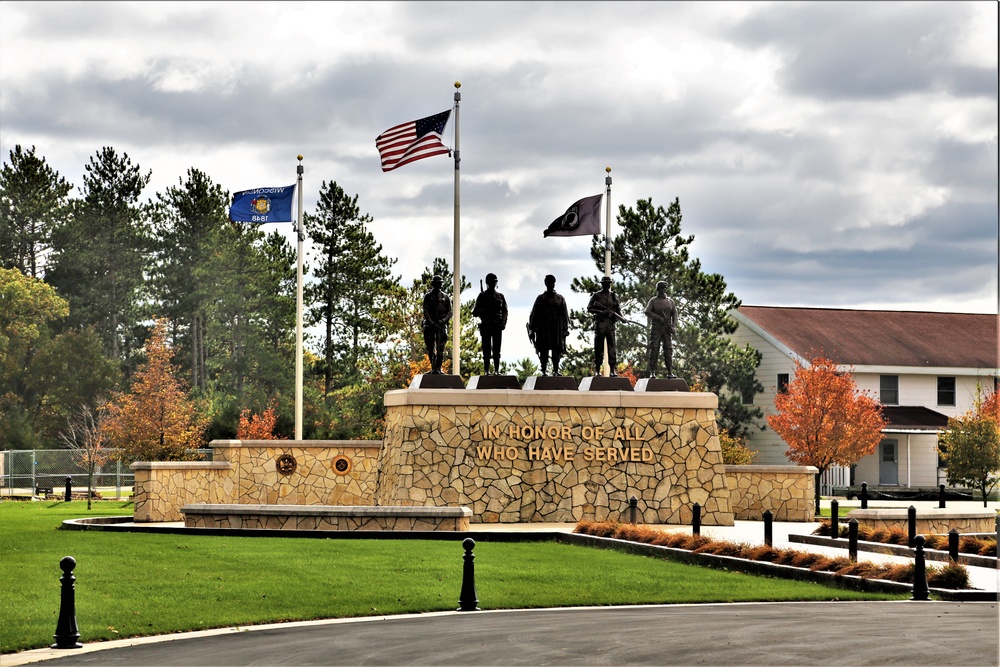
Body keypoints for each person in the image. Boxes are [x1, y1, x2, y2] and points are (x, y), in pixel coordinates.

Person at [527, 274, 570, 376]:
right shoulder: (540, 299)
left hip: (556, 328)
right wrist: (531, 329)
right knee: (543, 350)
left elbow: (565, 315)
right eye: (549, 283)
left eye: (552, 283)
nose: (551, 285)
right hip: (544, 329)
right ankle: (544, 370)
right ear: (546, 284)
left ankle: (555, 370)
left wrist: (565, 328)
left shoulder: (560, 299)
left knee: (556, 351)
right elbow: (534, 314)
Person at [472, 273, 508, 375]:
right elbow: (475, 312)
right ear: (487, 283)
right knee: (486, 350)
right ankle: (486, 370)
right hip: (486, 325)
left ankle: (496, 370)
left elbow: (505, 311)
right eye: (491, 282)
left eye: (494, 282)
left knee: (497, 350)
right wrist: (485, 310)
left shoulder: (500, 296)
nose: (493, 284)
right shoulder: (482, 296)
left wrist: (503, 323)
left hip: (497, 326)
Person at [587, 276, 622, 376]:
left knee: (612, 348)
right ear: (602, 284)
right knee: (599, 348)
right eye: (605, 283)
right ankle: (597, 369)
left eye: (608, 283)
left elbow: (618, 310)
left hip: (610, 325)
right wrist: (601, 312)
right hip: (600, 324)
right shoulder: (596, 296)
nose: (607, 285)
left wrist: (622, 318)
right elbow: (589, 308)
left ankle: (612, 370)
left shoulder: (614, 296)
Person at [644, 280, 678, 377]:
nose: (662, 290)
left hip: (667, 329)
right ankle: (652, 372)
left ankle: (670, 372)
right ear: (658, 289)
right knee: (654, 349)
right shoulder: (653, 301)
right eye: (660, 288)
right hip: (656, 328)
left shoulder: (670, 302)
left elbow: (675, 314)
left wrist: (673, 326)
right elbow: (647, 311)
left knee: (668, 349)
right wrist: (659, 318)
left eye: (664, 288)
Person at [422, 275, 451, 374]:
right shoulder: (428, 296)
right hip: (430, 325)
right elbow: (425, 311)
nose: (439, 285)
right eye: (437, 283)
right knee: (430, 348)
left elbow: (449, 312)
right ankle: (433, 368)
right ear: (433, 284)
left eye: (440, 283)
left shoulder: (446, 297)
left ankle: (438, 368)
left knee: (440, 349)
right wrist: (432, 323)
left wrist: (442, 321)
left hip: (441, 325)